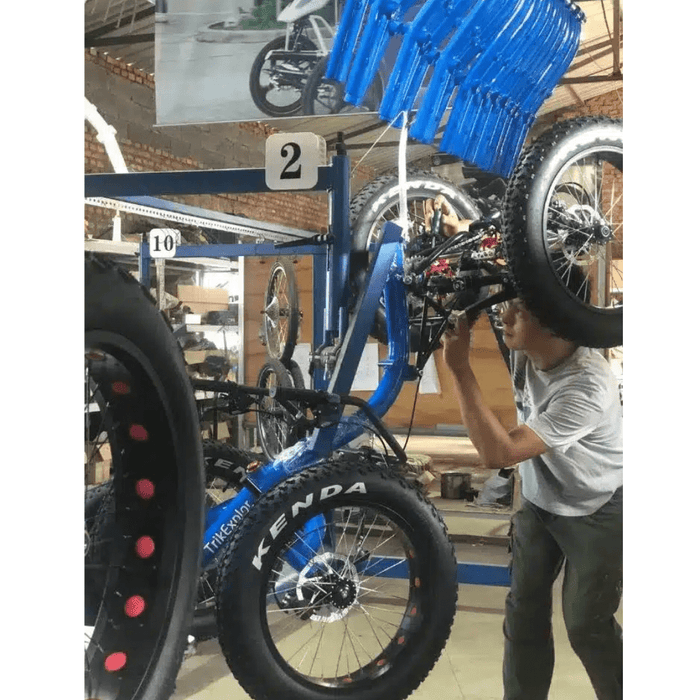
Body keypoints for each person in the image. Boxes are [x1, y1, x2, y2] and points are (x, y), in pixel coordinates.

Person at [427, 195, 623, 700]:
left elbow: (499, 454)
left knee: (586, 625)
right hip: (540, 501)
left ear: (559, 316)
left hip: (596, 505)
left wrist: (461, 367)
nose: (506, 311)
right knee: (524, 612)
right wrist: (462, 227)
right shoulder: (526, 340)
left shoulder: (587, 385)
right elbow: (511, 258)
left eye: (522, 305)